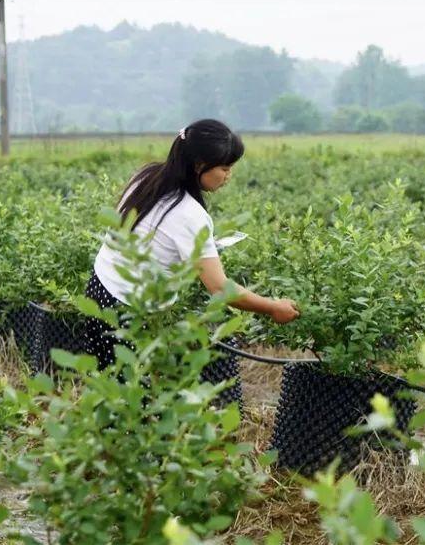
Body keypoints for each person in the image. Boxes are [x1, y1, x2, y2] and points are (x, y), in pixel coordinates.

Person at [82, 118, 299, 368]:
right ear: (199, 165)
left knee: (109, 386)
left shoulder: (147, 176)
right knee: (131, 396)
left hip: (100, 289)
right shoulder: (189, 215)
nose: (229, 176)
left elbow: (139, 232)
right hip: (128, 310)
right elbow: (219, 288)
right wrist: (273, 307)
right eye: (225, 169)